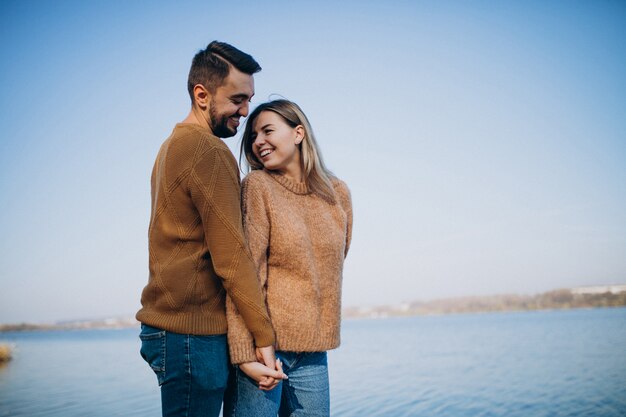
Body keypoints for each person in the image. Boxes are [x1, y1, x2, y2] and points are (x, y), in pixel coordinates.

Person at [136, 41, 286, 417]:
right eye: (237, 99)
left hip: (171, 331)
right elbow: (233, 258)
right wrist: (264, 338)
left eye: (249, 99)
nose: (245, 111)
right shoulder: (209, 151)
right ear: (202, 95)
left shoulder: (171, 146)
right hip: (191, 334)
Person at [224, 99, 353, 417]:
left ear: (298, 133)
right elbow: (246, 273)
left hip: (312, 351)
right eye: (253, 136)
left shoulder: (338, 194)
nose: (258, 142)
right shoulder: (257, 187)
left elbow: (334, 264)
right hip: (264, 348)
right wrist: (244, 352)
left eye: (267, 130)